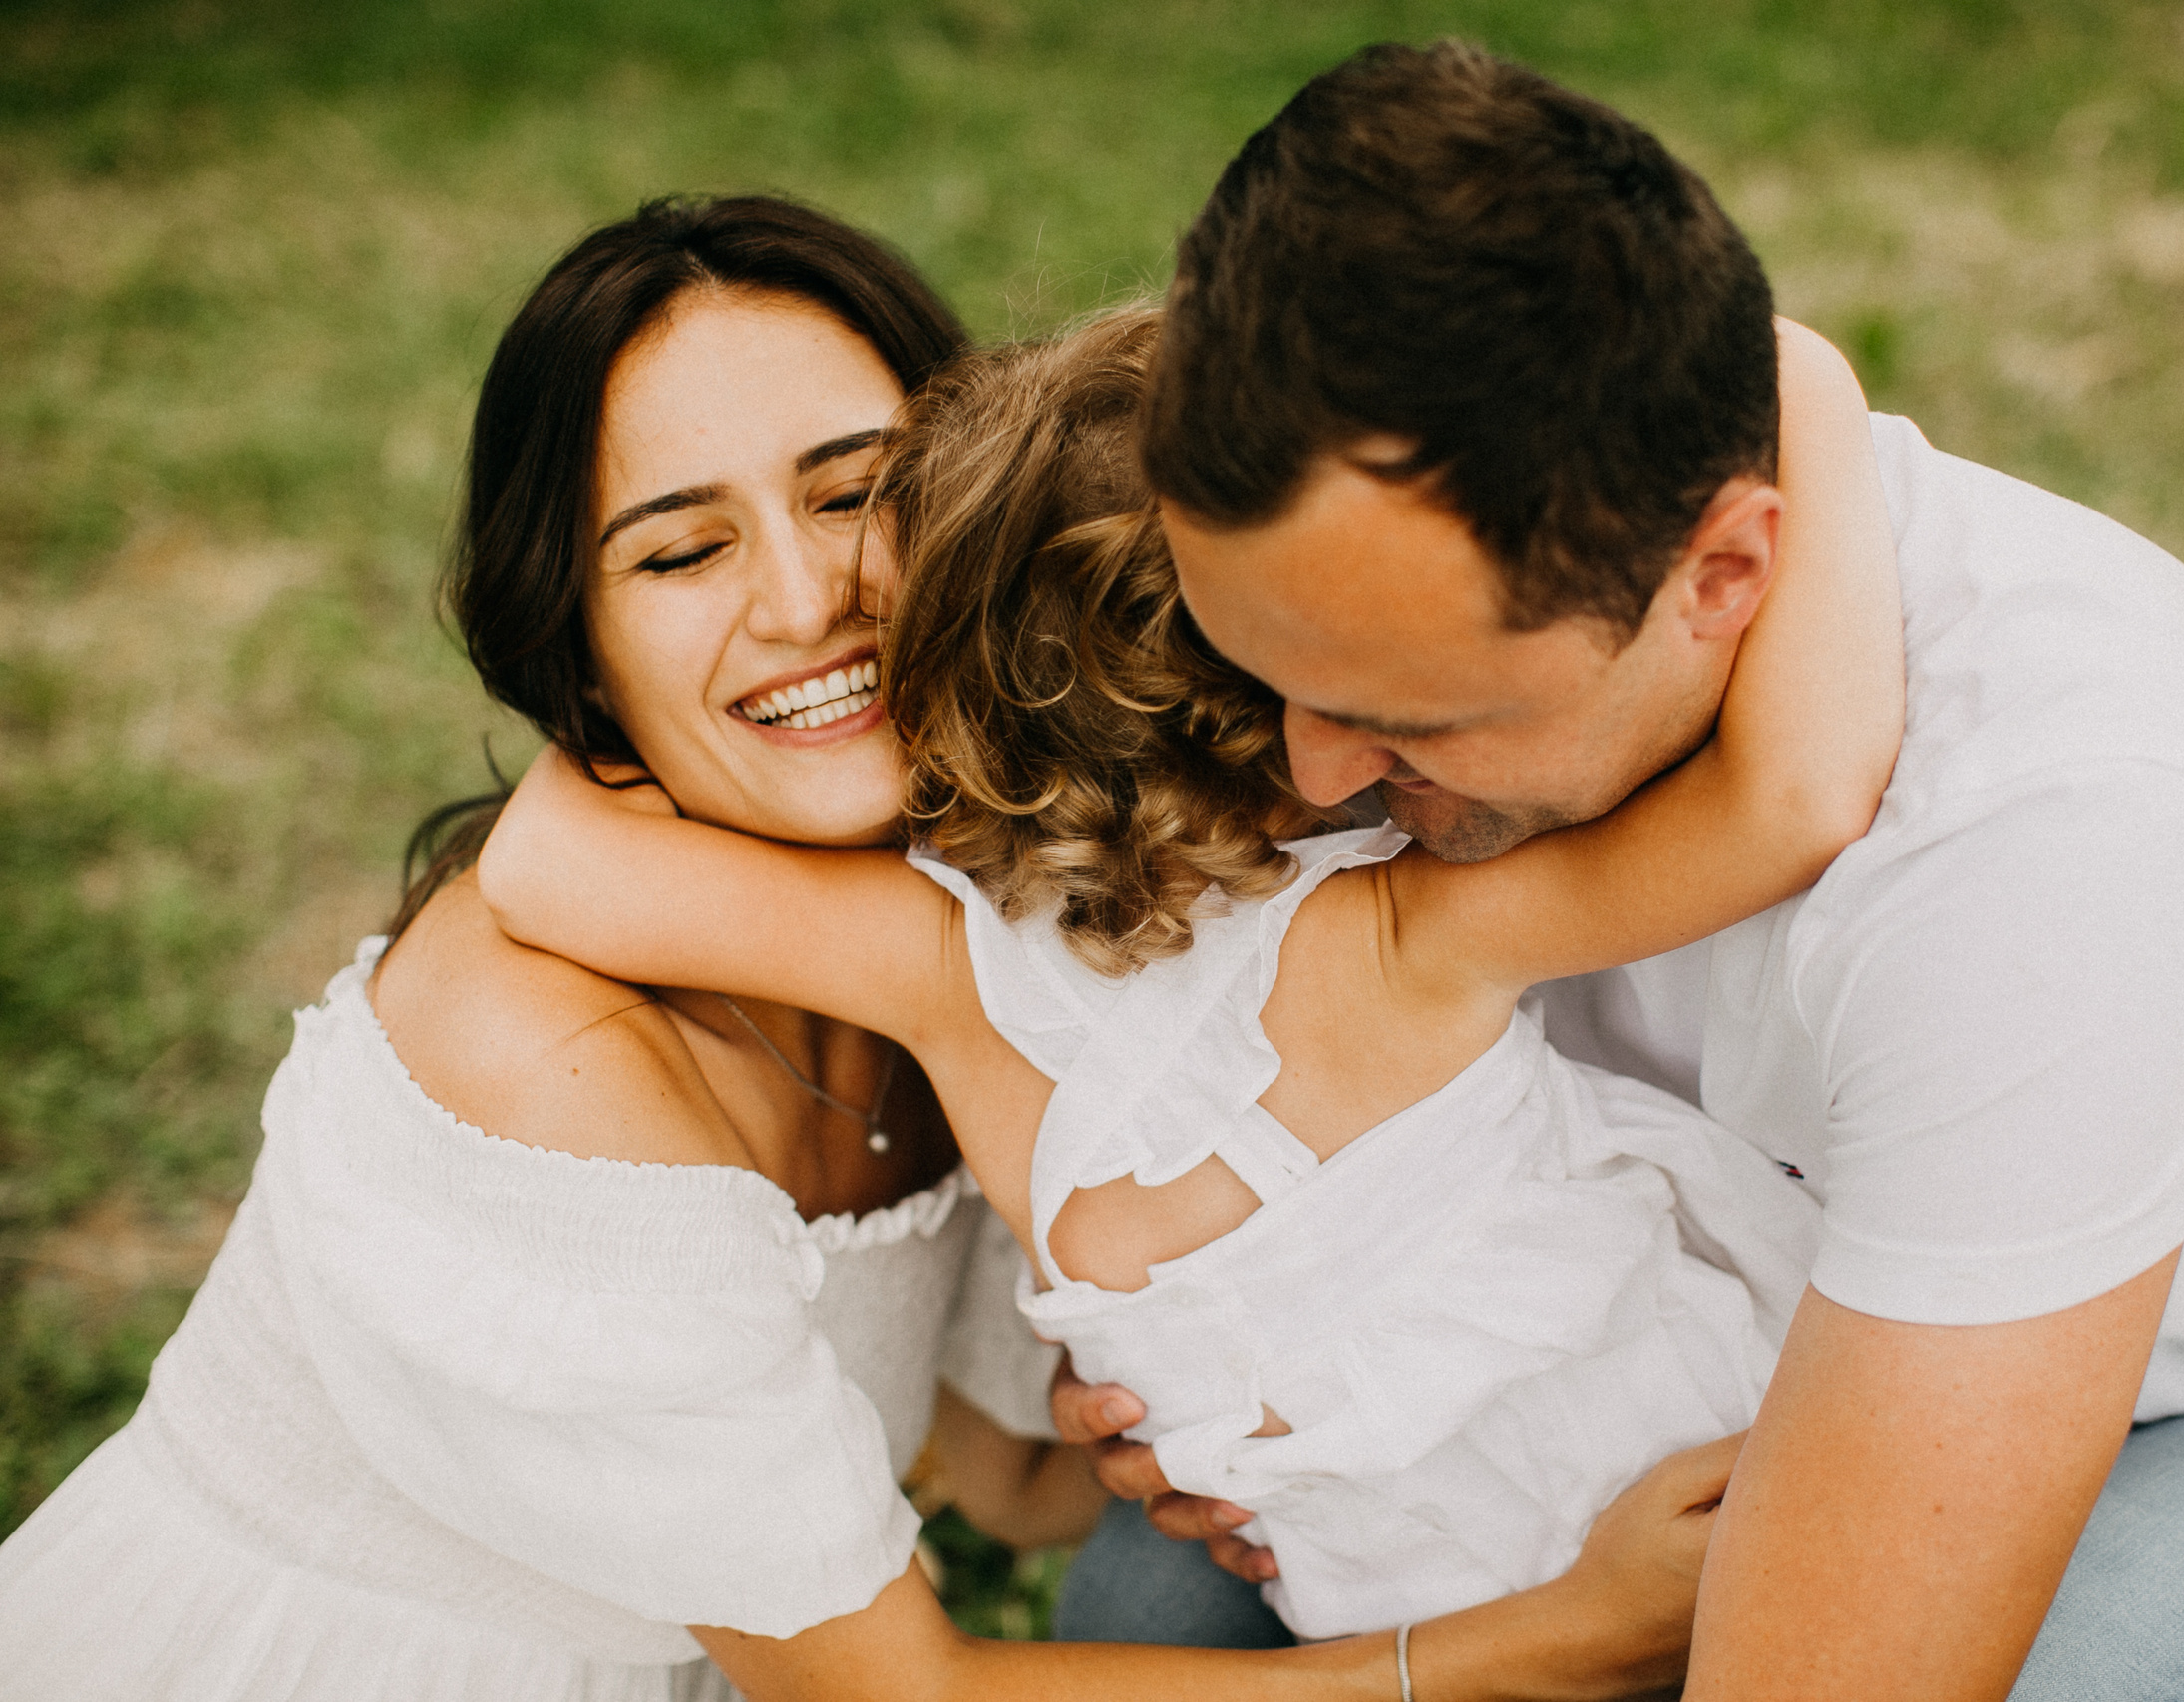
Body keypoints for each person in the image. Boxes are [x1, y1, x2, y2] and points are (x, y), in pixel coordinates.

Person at [0, 195, 1738, 1702]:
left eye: (859, 494)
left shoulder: (997, 911)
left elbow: (997, 1469)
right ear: (578, 649)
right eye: (680, 551)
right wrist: (1552, 1641)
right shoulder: (547, 1082)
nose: (806, 600)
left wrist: (1178, 1410)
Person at [1056, 39, 2184, 1701]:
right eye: (1267, 670)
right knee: (1163, 1608)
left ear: (1725, 570)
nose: (1312, 773)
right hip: (1730, 1302)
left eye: (1410, 717)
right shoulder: (1369, 603)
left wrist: (1576, 1627)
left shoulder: (2070, 839)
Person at [472, 297, 1897, 1654]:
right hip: (1734, 1477)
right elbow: (1795, 801)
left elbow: (539, 861)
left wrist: (680, 659)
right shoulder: (1414, 933)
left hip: (1400, 1610)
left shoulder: (937, 971)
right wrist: (1801, 382)